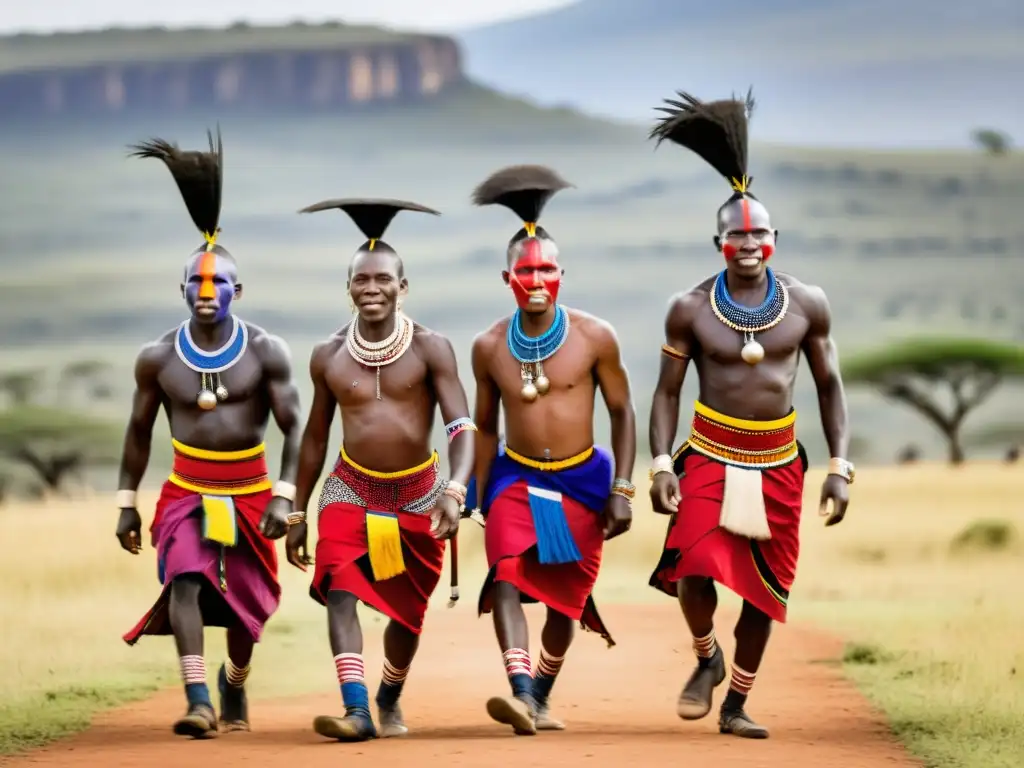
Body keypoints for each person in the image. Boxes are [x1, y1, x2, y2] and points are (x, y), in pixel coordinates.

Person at [645, 90, 855, 739]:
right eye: (736, 233)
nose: (748, 243)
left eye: (759, 233)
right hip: (708, 451)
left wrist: (841, 466)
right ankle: (706, 657)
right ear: (718, 242)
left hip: (778, 461)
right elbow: (666, 393)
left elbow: (829, 385)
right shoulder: (689, 308)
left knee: (765, 590)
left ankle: (737, 702)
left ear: (773, 239)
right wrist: (659, 462)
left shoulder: (808, 304)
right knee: (693, 562)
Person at [116, 129, 303, 739]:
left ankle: (233, 683)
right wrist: (127, 503)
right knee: (185, 579)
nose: (206, 293)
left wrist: (284, 494)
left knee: (249, 609)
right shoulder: (158, 357)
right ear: (181, 291)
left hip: (250, 492)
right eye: (195, 285)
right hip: (187, 490)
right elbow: (139, 431)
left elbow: (294, 428)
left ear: (237, 290)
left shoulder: (267, 351)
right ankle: (198, 698)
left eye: (218, 283)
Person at [287, 198, 475, 743]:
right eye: (360, 279)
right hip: (349, 489)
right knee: (340, 586)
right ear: (347, 288)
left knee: (407, 612)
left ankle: (387, 696)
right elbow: (316, 436)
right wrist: (297, 508)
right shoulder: (327, 356)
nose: (372, 288)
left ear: (403, 286)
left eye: (382, 279)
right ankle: (356, 711)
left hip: (419, 495)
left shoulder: (431, 348)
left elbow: (462, 427)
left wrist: (455, 491)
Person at [466, 165, 636, 736]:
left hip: (584, 482)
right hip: (516, 478)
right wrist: (477, 492)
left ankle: (539, 693)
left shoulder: (595, 337)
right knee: (507, 572)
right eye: (524, 271)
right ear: (506, 277)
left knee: (565, 599)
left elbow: (622, 413)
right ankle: (517, 690)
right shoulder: (488, 346)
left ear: (562, 274)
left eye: (545, 269)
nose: (535, 279)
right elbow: (485, 426)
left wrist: (622, 489)